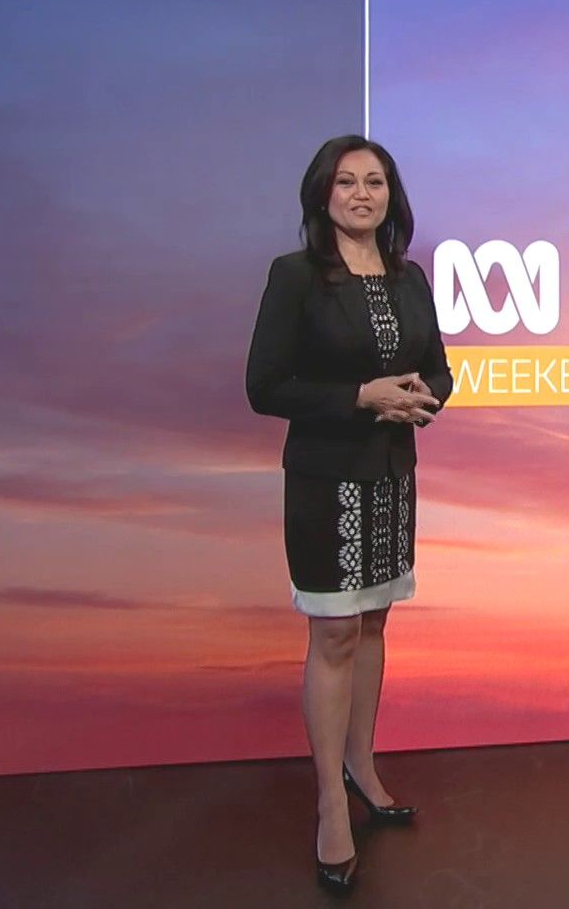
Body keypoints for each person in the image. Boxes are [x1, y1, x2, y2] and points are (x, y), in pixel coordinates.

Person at [246, 135, 452, 890]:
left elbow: (439, 370)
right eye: (347, 182)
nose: (362, 194)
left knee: (372, 626)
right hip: (326, 481)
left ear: (391, 196)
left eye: (375, 182)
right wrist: (361, 398)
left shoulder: (410, 277)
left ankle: (361, 767)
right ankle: (330, 802)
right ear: (323, 195)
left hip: (392, 478)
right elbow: (265, 386)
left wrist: (422, 398)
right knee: (334, 632)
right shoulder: (295, 276)